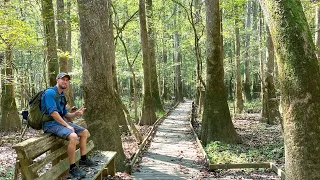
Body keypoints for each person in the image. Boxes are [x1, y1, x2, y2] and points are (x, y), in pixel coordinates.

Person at [41, 72, 94, 178]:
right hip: (50, 124)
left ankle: (83, 159)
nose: (65, 81)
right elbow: (53, 113)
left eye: (67, 80)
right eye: (62, 79)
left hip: (59, 123)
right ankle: (72, 168)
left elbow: (65, 114)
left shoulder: (62, 95)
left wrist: (76, 114)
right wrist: (67, 125)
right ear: (57, 80)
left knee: (84, 132)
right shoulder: (50, 93)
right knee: (73, 136)